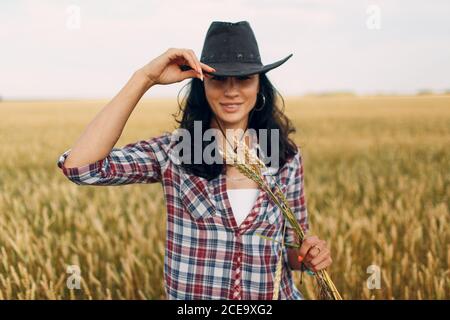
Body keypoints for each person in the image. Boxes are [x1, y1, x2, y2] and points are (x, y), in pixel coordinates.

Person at [57, 21, 332, 300]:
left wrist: (308, 258)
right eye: (219, 79)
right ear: (202, 85)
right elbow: (81, 168)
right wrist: (144, 78)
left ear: (260, 85)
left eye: (245, 78)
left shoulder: (285, 156)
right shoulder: (174, 152)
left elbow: (291, 251)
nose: (231, 91)